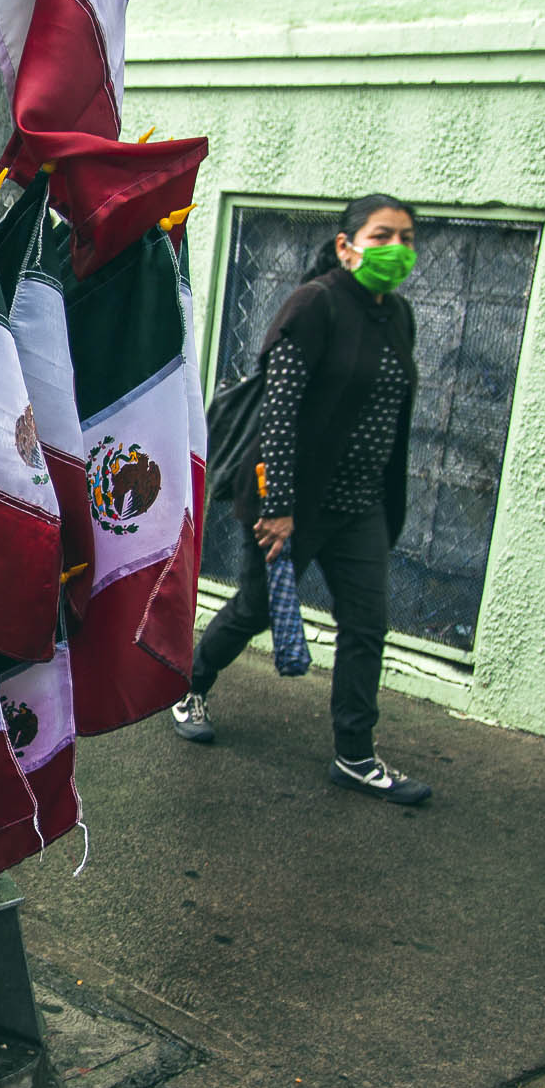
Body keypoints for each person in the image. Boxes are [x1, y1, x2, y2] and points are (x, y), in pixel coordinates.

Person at [171, 194, 432, 806]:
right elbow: (280, 412)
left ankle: (356, 755)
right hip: (291, 501)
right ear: (346, 246)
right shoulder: (314, 305)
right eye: (382, 236)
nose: (397, 249)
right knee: (255, 610)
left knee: (366, 626)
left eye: (407, 238)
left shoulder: (399, 316)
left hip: (360, 506)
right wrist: (278, 506)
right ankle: (189, 684)